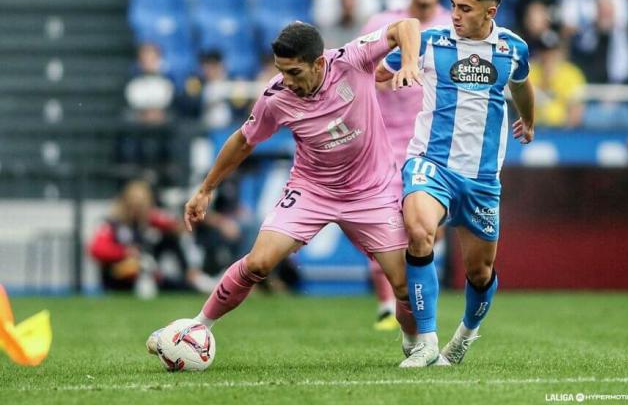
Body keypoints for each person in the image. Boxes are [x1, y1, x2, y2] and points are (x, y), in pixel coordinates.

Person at [147, 18, 443, 367]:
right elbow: (244, 141)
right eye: (281, 71)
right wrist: (206, 189)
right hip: (312, 190)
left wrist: (408, 62)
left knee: (404, 284)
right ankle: (194, 328)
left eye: (295, 72)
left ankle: (416, 344)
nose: (287, 80)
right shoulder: (276, 97)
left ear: (319, 63)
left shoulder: (352, 59)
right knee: (257, 262)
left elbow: (406, 26)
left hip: (370, 193)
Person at [377, 0, 535, 366]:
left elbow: (521, 83)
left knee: (480, 273)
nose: (455, 14)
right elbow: (378, 66)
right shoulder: (432, 43)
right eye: (453, 5)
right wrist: (395, 70)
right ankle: (426, 341)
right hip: (430, 164)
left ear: (490, 11)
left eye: (465, 8)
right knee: (418, 233)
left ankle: (464, 336)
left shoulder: (513, 48)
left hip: (482, 179)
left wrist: (528, 120)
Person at [361, 0, 451, 331]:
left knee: (426, 229)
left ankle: (417, 302)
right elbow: (360, 67)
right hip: (383, 140)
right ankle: (387, 305)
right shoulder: (384, 22)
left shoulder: (453, 27)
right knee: (384, 221)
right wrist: (385, 70)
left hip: (432, 142)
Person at [88, 180, 216, 296]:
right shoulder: (112, 223)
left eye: (141, 205)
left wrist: (176, 227)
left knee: (170, 240)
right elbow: (96, 249)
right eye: (134, 205)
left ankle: (193, 277)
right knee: (142, 266)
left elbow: (176, 226)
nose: (137, 210)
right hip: (119, 275)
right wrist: (124, 252)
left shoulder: (148, 218)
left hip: (146, 268)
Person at [529, 30, 585, 128]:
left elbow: (577, 109)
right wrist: (545, 79)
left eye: (552, 51)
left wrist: (566, 131)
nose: (548, 56)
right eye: (544, 51)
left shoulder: (572, 73)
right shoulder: (529, 72)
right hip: (535, 128)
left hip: (563, 128)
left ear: (559, 52)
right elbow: (522, 108)